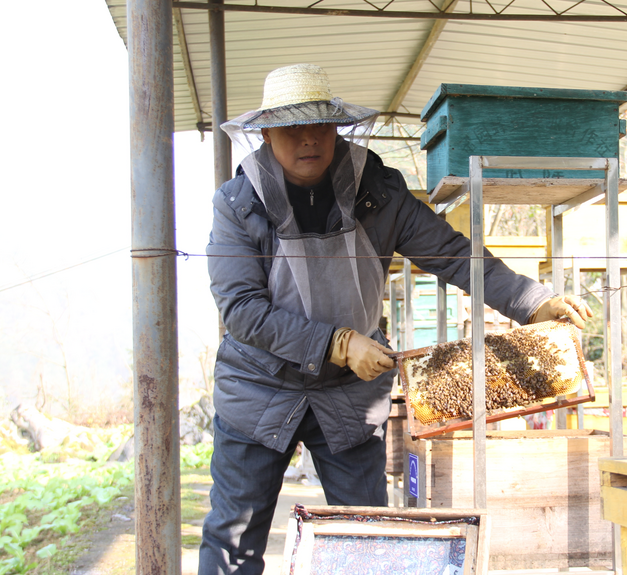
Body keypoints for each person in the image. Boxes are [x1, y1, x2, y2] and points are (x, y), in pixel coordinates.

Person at [200, 63, 593, 574]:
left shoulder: (377, 193)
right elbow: (242, 311)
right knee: (233, 540)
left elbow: (453, 254)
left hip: (348, 397)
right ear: (267, 133)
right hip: (258, 389)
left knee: (367, 538)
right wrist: (341, 343)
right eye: (291, 128)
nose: (307, 140)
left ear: (336, 128)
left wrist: (531, 301)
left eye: (318, 125)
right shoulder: (237, 204)